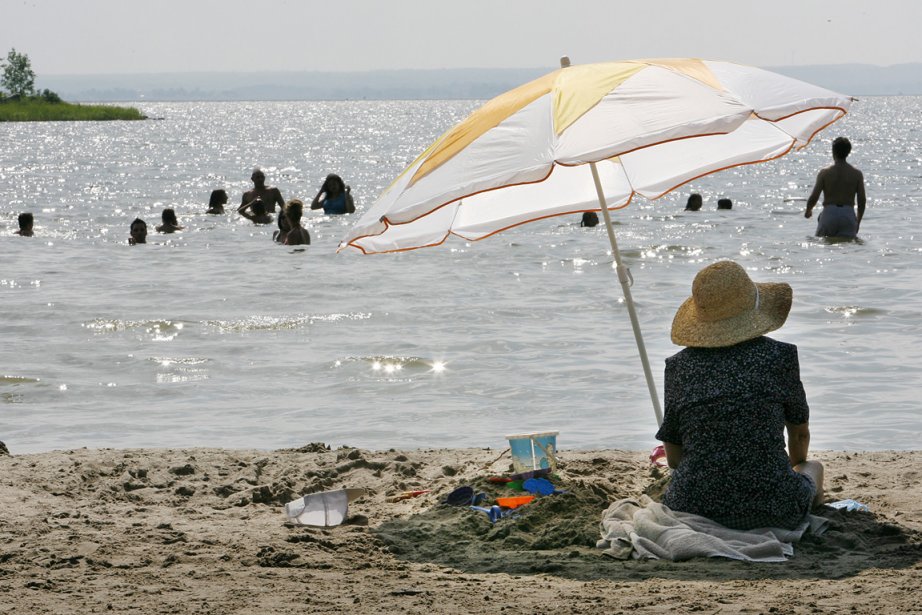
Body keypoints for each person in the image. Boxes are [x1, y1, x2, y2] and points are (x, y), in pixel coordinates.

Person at [655, 260, 824, 530]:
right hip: (775, 507)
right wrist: (787, 469)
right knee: (813, 468)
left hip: (692, 505)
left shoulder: (678, 366)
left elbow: (674, 458)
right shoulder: (780, 356)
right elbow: (799, 435)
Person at [804, 136, 866, 239]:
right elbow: (862, 201)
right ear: (848, 152)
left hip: (829, 213)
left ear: (833, 151)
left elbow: (814, 196)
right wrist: (858, 222)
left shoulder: (825, 173)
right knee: (848, 247)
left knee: (822, 243)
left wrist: (808, 210)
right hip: (848, 213)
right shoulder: (857, 174)